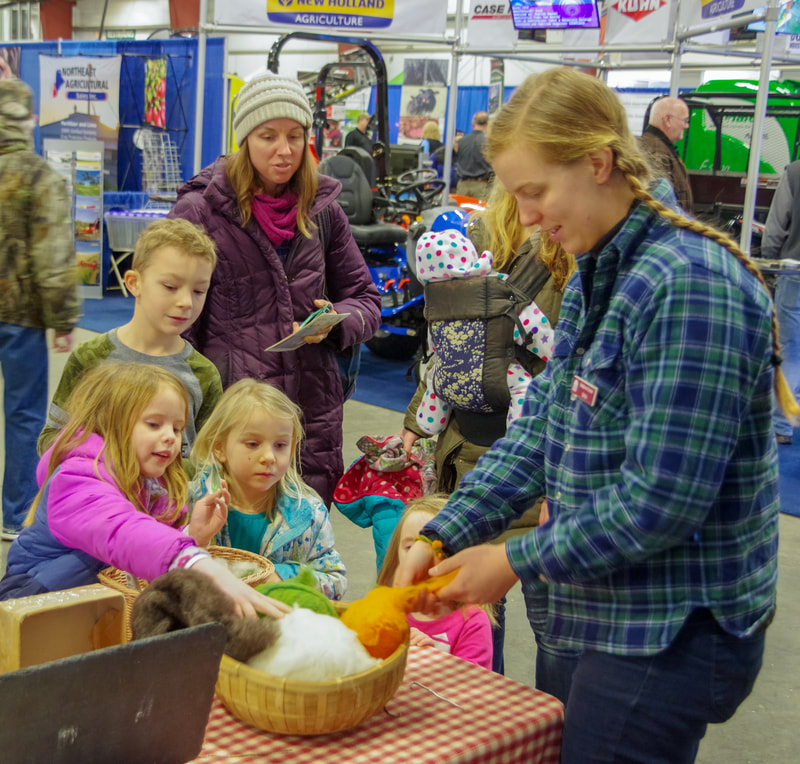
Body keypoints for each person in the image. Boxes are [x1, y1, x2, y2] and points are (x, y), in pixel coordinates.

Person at [396, 67, 796, 763]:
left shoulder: (688, 285)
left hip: (670, 625)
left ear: (599, 163)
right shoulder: (595, 271)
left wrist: (512, 559)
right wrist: (446, 530)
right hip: (606, 600)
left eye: (535, 192)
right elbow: (542, 427)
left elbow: (661, 502)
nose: (525, 220)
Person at [168, 73, 381, 506]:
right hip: (232, 412)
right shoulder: (199, 212)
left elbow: (367, 300)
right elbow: (176, 323)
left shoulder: (323, 212)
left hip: (309, 414)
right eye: (268, 136)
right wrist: (182, 415)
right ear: (245, 137)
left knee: (299, 553)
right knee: (228, 553)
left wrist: (337, 322)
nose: (284, 150)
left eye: (295, 136)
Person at [401, 182, 576, 677]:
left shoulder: (584, 254)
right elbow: (443, 343)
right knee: (473, 620)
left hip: (543, 462)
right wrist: (419, 417)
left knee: (556, 631)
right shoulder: (480, 232)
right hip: (472, 453)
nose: (531, 205)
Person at [0, 363, 290, 620]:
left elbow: (148, 552)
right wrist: (202, 565)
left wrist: (193, 535)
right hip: (31, 602)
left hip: (89, 609)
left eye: (177, 429)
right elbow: (123, 534)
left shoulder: (149, 481)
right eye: (154, 424)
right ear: (111, 424)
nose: (170, 437)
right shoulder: (76, 479)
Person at [37, 217, 222, 460]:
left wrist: (158, 470)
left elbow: (213, 461)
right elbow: (51, 438)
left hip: (176, 498)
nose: (186, 302)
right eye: (170, 286)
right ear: (134, 283)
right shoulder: (90, 358)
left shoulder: (203, 375)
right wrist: (108, 460)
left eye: (199, 291)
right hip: (98, 493)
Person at [0, 78, 81, 540]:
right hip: (21, 319)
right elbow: (51, 253)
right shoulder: (39, 176)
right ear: (28, 120)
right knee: (24, 415)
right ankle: (14, 515)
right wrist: (63, 317)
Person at [190, 378, 347, 600]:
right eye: (253, 444)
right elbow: (161, 569)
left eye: (280, 445)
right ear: (220, 448)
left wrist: (279, 577)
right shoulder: (193, 501)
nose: (269, 457)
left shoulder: (309, 514)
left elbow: (335, 581)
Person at [412, 228, 555, 436]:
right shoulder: (498, 287)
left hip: (449, 374)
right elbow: (531, 326)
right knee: (522, 388)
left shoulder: (434, 301)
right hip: (494, 376)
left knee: (436, 376)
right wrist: (554, 352)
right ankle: (517, 436)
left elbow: (434, 344)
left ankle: (429, 421)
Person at [377, 494, 493, 670]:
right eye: (409, 547)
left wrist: (429, 659)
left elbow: (471, 684)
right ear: (396, 555)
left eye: (438, 548)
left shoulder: (472, 621)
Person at [761, 159, 800, 445]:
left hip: (795, 271)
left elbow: (776, 223)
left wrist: (770, 259)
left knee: (790, 349)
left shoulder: (795, 171)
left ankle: (781, 424)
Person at [638, 95, 694, 213]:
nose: (686, 126)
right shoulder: (654, 151)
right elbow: (659, 203)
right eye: (685, 120)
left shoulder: (659, 148)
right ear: (668, 120)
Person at [455, 111, 494, 201]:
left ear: (473, 123)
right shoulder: (489, 142)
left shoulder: (460, 142)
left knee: (461, 213)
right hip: (482, 187)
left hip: (463, 186)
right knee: (481, 214)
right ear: (488, 124)